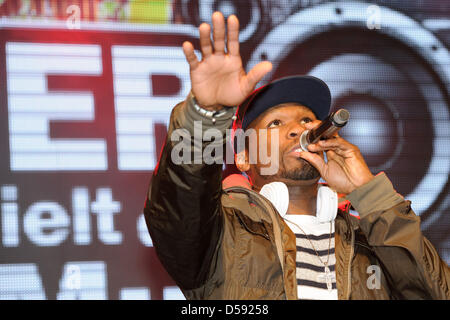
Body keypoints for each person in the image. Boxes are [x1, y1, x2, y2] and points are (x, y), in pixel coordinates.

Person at [143, 11, 450, 300]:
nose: (296, 130)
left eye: (305, 121)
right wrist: (205, 115)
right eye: (276, 123)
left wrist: (368, 194)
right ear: (244, 158)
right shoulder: (222, 230)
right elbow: (181, 198)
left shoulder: (369, 236)